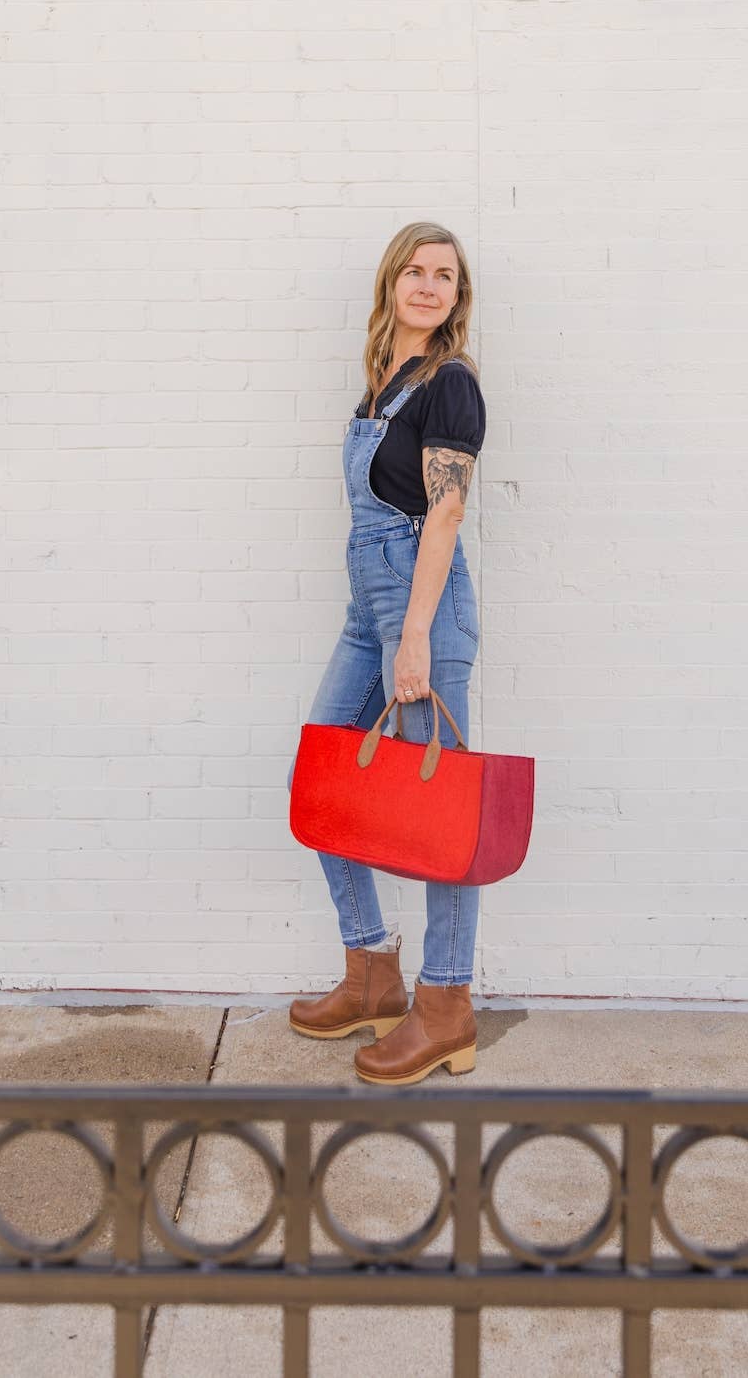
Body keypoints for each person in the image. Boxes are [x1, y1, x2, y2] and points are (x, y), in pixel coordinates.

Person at [288, 221, 486, 1084]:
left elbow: (442, 515)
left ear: (456, 295)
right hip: (369, 606)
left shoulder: (450, 386)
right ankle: (371, 971)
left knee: (442, 815)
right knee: (324, 779)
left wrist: (412, 635)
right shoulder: (385, 386)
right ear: (391, 283)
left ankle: (445, 1004)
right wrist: (379, 620)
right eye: (416, 269)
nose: (429, 285)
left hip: (422, 612)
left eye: (445, 274)